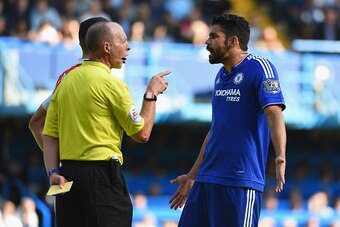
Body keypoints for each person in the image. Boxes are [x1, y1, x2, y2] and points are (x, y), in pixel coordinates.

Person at [42, 21, 170, 227]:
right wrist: (151, 94)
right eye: (123, 40)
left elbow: (49, 134)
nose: (128, 47)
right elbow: (142, 134)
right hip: (101, 177)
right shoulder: (112, 84)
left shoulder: (66, 80)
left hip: (66, 177)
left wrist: (53, 172)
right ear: (107, 47)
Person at [169, 14, 286, 227]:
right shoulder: (221, 76)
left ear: (233, 41)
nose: (207, 42)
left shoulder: (260, 67)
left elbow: (274, 113)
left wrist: (280, 156)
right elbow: (216, 130)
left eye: (214, 36)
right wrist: (192, 175)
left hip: (240, 181)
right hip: (206, 180)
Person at [28, 16, 109, 151]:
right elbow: (142, 134)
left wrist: (56, 165)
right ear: (104, 44)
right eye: (115, 37)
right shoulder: (72, 78)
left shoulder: (68, 76)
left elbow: (35, 123)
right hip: (89, 168)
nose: (126, 46)